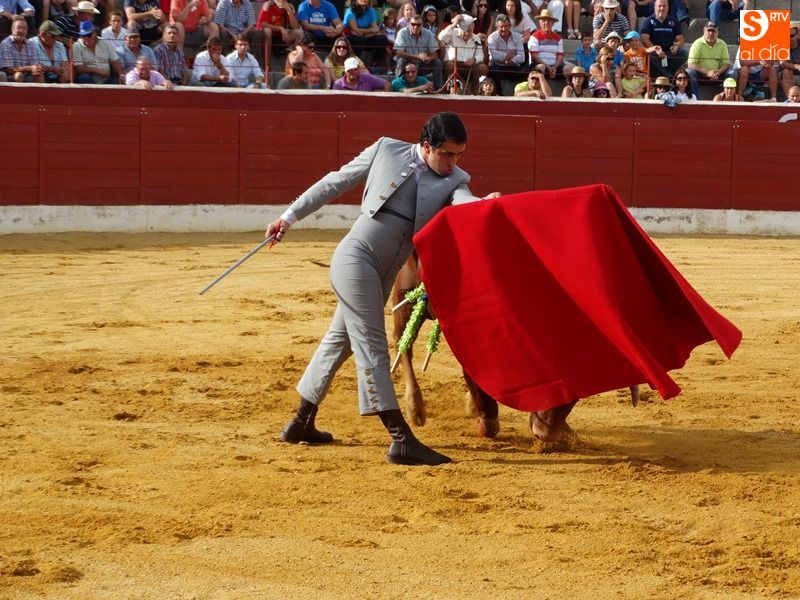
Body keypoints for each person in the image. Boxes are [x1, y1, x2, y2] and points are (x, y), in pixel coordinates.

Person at [267, 112, 500, 466]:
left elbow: (463, 201)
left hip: (383, 274)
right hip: (355, 259)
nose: (453, 163)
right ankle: (400, 439)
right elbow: (335, 181)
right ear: (427, 146)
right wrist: (289, 217)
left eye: (459, 155)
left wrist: (483, 203)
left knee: (339, 341)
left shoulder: (455, 180)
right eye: (447, 154)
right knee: (372, 343)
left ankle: (300, 422)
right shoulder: (385, 150)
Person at [438, 13, 487, 94]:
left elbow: (480, 55)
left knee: (482, 68)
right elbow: (441, 37)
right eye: (465, 31)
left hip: (470, 66)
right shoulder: (452, 33)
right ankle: (449, 91)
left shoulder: (476, 38)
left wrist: (474, 60)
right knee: (449, 66)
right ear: (459, 28)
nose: (467, 34)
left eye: (470, 31)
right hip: (455, 64)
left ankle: (475, 94)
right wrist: (453, 24)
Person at [686, 20, 735, 99]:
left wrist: (718, 72)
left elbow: (726, 63)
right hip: (701, 76)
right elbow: (691, 64)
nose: (711, 34)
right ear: (704, 30)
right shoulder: (697, 44)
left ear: (717, 32)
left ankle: (728, 99)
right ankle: (694, 99)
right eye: (708, 31)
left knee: (733, 74)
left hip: (718, 76)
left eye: (713, 31)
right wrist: (707, 72)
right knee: (689, 72)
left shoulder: (722, 44)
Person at [393, 13, 442, 89]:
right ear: (409, 24)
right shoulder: (402, 33)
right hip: (407, 63)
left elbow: (435, 54)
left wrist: (428, 58)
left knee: (437, 62)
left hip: (422, 64)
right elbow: (398, 53)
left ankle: (437, 88)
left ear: (422, 25)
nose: (415, 27)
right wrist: (417, 57)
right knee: (401, 60)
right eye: (413, 24)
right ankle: (398, 87)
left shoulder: (428, 34)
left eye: (418, 25)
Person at [639, 0, 686, 79]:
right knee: (650, 55)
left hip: (669, 52)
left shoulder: (673, 21)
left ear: (668, 8)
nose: (662, 8)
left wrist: (676, 46)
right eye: (659, 6)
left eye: (664, 6)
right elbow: (644, 38)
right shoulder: (648, 21)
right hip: (655, 53)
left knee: (684, 53)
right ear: (654, 7)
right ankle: (669, 77)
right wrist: (656, 49)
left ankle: (664, 75)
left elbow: (680, 39)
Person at [529, 9, 573, 79]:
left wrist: (554, 67)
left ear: (553, 23)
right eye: (543, 20)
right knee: (541, 67)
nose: (546, 23)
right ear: (540, 22)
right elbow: (534, 56)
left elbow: (560, 56)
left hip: (555, 66)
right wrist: (547, 67)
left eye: (549, 20)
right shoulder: (534, 36)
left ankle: (569, 85)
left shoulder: (558, 38)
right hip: (540, 64)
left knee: (569, 68)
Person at [342, 0, 388, 68]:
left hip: (365, 36)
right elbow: (355, 29)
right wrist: (371, 31)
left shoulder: (370, 11)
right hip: (351, 37)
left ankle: (375, 64)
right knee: (360, 40)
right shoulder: (351, 11)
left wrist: (367, 34)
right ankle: (354, 63)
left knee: (382, 39)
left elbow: (376, 28)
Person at [487, 13, 524, 92]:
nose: (504, 29)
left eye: (506, 26)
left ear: (510, 26)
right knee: (493, 72)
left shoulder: (517, 37)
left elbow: (522, 57)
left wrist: (510, 61)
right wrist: (508, 55)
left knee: (527, 73)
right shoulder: (492, 37)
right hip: (497, 66)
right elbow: (495, 56)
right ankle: (498, 95)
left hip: (513, 66)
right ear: (497, 27)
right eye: (501, 27)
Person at [0, 17, 42, 82]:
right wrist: (30, 68)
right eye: (18, 27)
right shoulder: (5, 44)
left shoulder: (31, 44)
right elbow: (10, 69)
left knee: (39, 75)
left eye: (24, 28)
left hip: (28, 75)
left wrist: (36, 69)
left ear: (27, 31)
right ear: (12, 29)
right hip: (11, 76)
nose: (21, 31)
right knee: (18, 75)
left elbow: (35, 65)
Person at [780, 22, 800, 99]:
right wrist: (796, 66)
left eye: (792, 36)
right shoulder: (782, 45)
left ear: (797, 35)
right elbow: (782, 63)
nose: (789, 38)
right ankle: (790, 100)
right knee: (787, 71)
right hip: (784, 75)